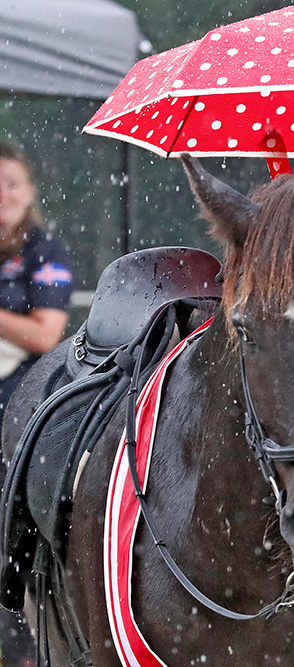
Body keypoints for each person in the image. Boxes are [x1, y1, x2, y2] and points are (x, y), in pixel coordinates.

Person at [0, 142, 74, 667]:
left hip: (23, 420)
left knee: (15, 543)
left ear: (29, 193)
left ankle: (27, 650)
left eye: (12, 183)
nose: (2, 195)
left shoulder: (47, 250)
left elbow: (47, 335)